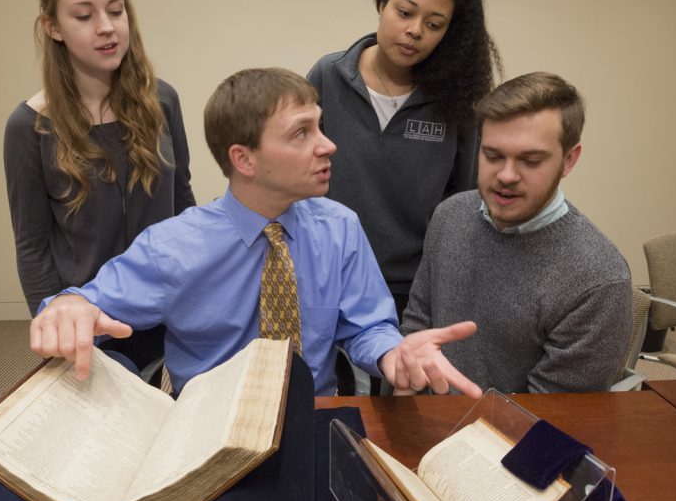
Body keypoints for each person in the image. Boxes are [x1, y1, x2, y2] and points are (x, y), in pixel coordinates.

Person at [29, 68, 482, 399]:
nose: (328, 145)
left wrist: (392, 355)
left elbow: (367, 327)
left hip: (313, 419)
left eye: (320, 126)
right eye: (302, 133)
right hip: (209, 432)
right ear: (244, 160)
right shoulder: (175, 247)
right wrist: (68, 306)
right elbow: (85, 303)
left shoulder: (339, 228)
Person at [4, 0, 195, 373]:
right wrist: (56, 326)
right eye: (84, 16)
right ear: (53, 27)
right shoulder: (29, 127)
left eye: (116, 10)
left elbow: (183, 203)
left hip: (170, 312)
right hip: (91, 324)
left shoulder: (162, 101)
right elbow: (32, 246)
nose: (107, 28)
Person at [400, 72, 633, 393]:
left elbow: (552, 417)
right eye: (493, 156)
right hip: (421, 421)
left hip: (510, 440)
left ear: (569, 160)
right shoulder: (450, 215)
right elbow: (417, 322)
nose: (506, 176)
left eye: (530, 160)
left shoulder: (598, 279)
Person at [307, 0, 501, 320]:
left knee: (399, 377)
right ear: (382, 4)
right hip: (326, 276)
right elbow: (296, 176)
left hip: (411, 289)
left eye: (434, 24)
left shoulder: (457, 100)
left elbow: (464, 199)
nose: (415, 30)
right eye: (405, 12)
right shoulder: (328, 76)